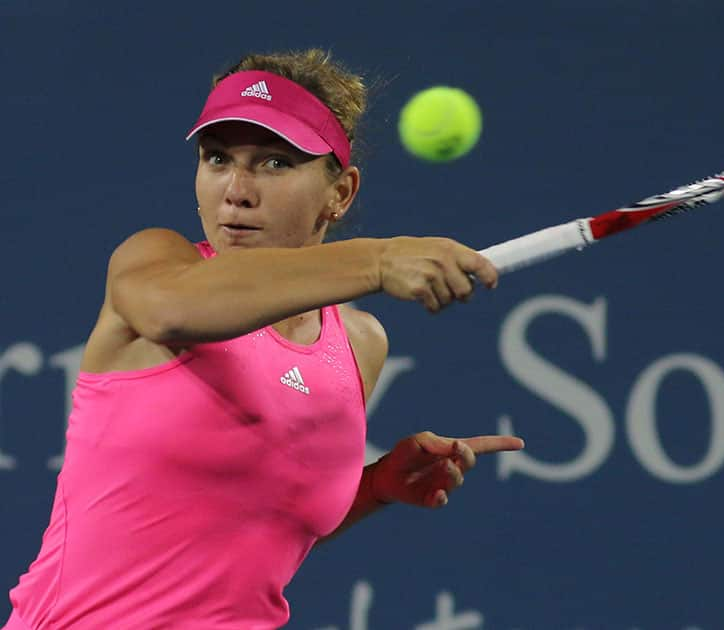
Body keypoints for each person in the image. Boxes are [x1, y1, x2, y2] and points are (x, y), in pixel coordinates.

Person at [3, 49, 524, 630]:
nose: (236, 190)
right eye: (218, 158)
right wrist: (378, 258)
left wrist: (374, 487)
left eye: (274, 164)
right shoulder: (154, 265)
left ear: (341, 193)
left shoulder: (359, 343)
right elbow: (174, 310)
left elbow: (235, 537)